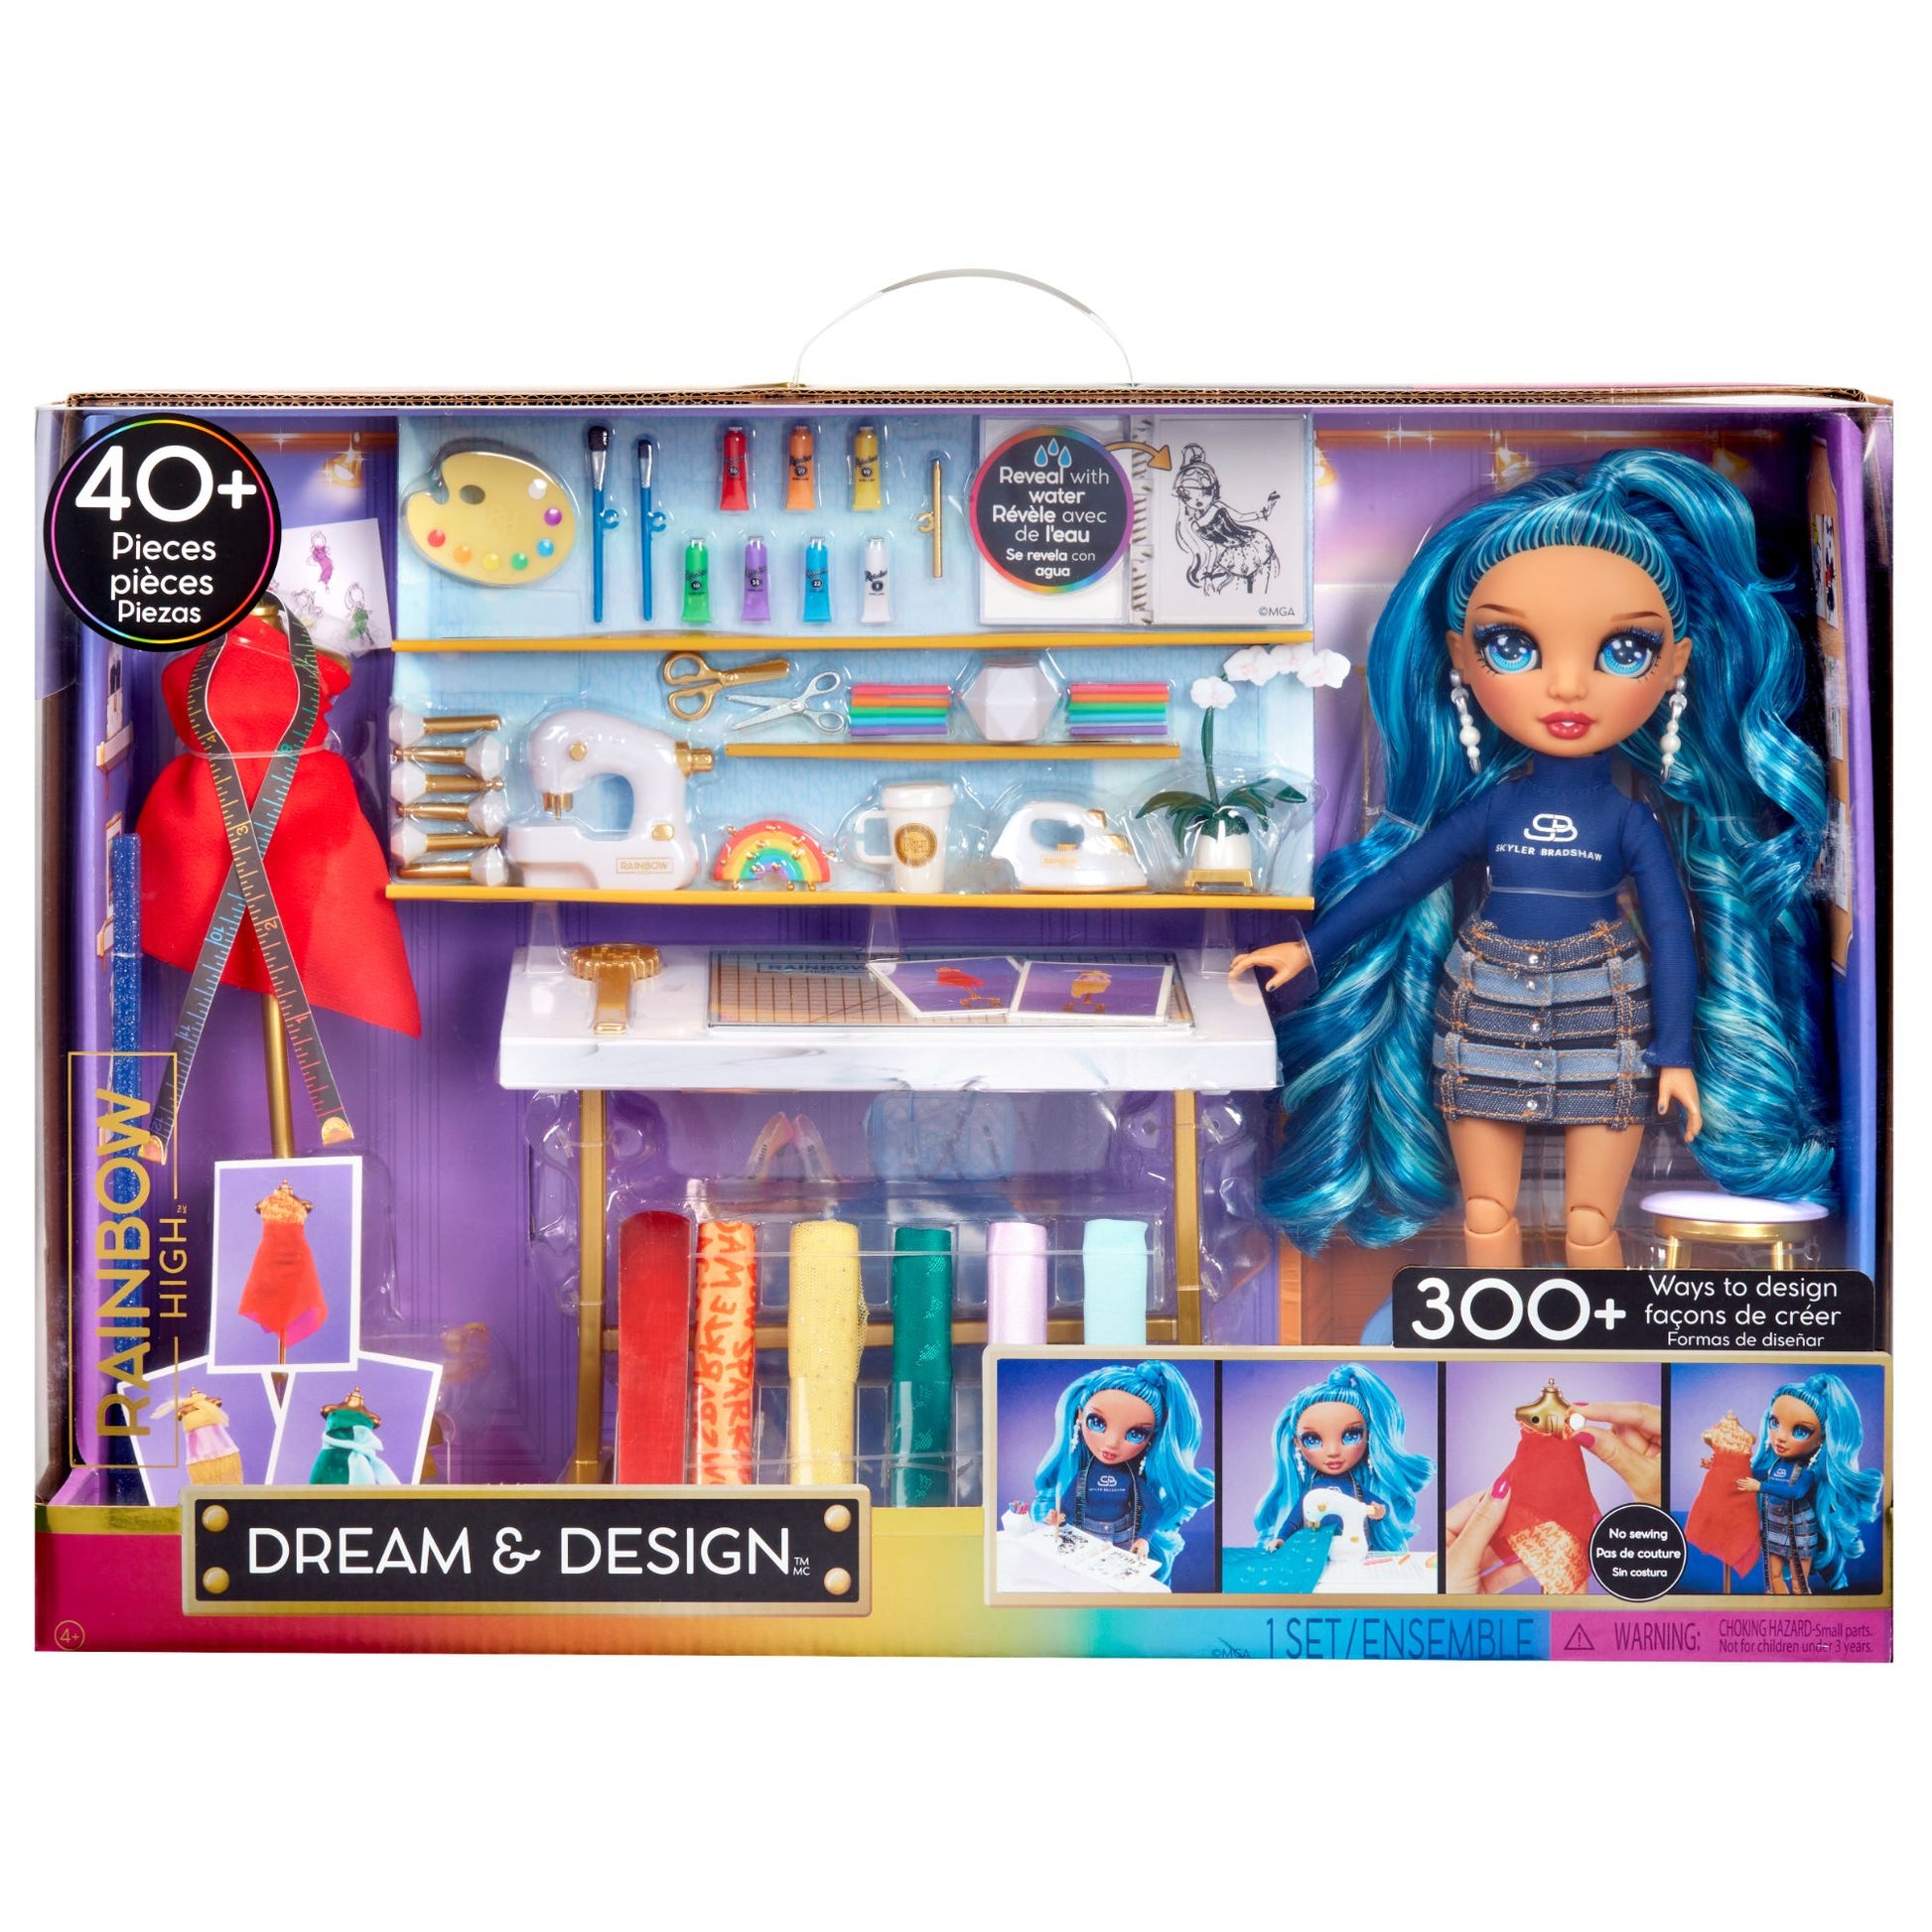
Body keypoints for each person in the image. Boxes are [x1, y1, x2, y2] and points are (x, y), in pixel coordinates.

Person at [1231, 451, 1830, 1273]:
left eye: (1625, 649)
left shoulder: (1632, 822)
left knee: (1591, 1223)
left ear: (1677, 663)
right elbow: (1403, 880)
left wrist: (1677, 1055)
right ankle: (1492, 1339)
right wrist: (1310, 948)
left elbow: (1672, 932)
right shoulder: (1493, 811)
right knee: (1486, 1214)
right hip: (1487, 1002)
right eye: (1512, 646)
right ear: (1458, 654)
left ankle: (1608, 1339)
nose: (1568, 688)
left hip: (1604, 1008)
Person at [1030, 1362, 1214, 1585]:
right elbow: (1067, 1508)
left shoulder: (1132, 1481)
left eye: (1136, 1433)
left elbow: (1155, 1510)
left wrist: (1144, 1539)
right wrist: (1058, 1517)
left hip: (1122, 1545)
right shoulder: (1081, 1477)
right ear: (1079, 1416)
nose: (1111, 1443)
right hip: (1084, 1541)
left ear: (1151, 1439)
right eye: (1097, 1422)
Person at [1253, 1362, 1434, 1553]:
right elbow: (1293, 1521)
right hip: (1316, 1553)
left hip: (1353, 1553)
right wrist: (1281, 1538)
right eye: (1312, 1439)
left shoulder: (1356, 1490)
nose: (1333, 1451)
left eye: (1351, 1435)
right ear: (1297, 1443)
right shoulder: (1310, 1494)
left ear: (1368, 1437)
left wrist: (1380, 1511)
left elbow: (1381, 1507)